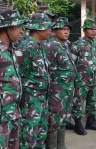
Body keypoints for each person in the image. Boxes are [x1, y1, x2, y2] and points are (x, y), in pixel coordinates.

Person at [16, 13, 54, 148]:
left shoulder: (41, 46)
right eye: (47, 28)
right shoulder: (26, 48)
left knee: (41, 136)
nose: (50, 31)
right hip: (30, 101)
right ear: (39, 29)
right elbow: (18, 75)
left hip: (42, 99)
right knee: (28, 138)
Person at [44, 17, 77, 148]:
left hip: (67, 90)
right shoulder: (50, 46)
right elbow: (46, 69)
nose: (66, 32)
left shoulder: (66, 45)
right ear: (54, 31)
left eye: (68, 29)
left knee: (64, 118)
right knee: (54, 121)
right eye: (63, 29)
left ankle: (61, 145)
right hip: (55, 91)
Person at [71, 19, 96, 135]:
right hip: (81, 80)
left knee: (92, 101)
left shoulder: (95, 43)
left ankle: (91, 122)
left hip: (94, 78)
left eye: (95, 29)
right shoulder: (77, 44)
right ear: (84, 30)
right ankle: (78, 124)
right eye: (90, 29)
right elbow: (72, 63)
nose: (93, 31)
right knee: (78, 102)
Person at [0, 9, 27, 149]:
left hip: (13, 112)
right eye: (18, 27)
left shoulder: (11, 49)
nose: (21, 31)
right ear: (8, 28)